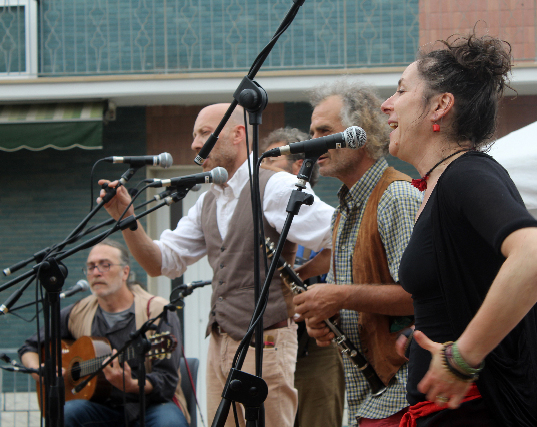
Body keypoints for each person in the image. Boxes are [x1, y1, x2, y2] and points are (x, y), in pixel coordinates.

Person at [380, 32, 537, 426]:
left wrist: (463, 357)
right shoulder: (443, 183)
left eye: (401, 90)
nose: (386, 104)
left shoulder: (466, 175)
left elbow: (536, 254)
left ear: (440, 106)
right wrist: (422, 334)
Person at [98, 104, 335, 427]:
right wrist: (127, 219)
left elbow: (338, 233)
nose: (195, 144)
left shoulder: (275, 185)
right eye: (194, 135)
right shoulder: (208, 200)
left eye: (205, 133)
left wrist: (313, 285)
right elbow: (160, 262)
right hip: (220, 342)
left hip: (266, 341)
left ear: (238, 135)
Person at [293, 80, 422, 427]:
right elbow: (353, 302)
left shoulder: (397, 197)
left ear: (359, 134)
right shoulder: (341, 213)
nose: (313, 142)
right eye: (312, 132)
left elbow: (420, 298)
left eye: (324, 131)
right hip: (366, 398)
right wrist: (326, 320)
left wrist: (339, 296)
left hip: (401, 395)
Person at [19, 239, 189, 427]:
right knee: (64, 414)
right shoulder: (77, 312)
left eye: (105, 265)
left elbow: (167, 380)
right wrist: (39, 370)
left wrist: (131, 384)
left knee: (170, 424)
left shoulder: (157, 310)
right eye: (91, 267)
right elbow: (30, 347)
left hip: (151, 405)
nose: (96, 272)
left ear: (125, 272)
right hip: (99, 406)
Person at [260, 127, 345, 427]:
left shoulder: (318, 216)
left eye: (271, 163)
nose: (262, 171)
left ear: (299, 165)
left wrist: (300, 273)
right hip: (271, 344)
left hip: (316, 349)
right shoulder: (263, 214)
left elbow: (341, 248)